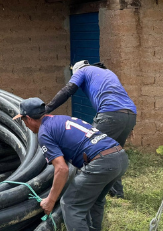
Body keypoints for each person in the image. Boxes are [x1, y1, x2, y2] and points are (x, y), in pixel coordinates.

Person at [13, 97, 128, 231]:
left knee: (70, 205)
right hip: (119, 156)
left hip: (101, 163)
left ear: (28, 118)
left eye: (23, 120)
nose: (25, 125)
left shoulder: (44, 132)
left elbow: (61, 169)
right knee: (96, 199)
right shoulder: (59, 119)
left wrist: (50, 200)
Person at [43, 60, 136, 198]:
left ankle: (81, 192)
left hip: (110, 114)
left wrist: (46, 109)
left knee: (87, 150)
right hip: (130, 115)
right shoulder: (107, 72)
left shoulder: (82, 71)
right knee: (113, 153)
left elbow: (68, 90)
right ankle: (117, 193)